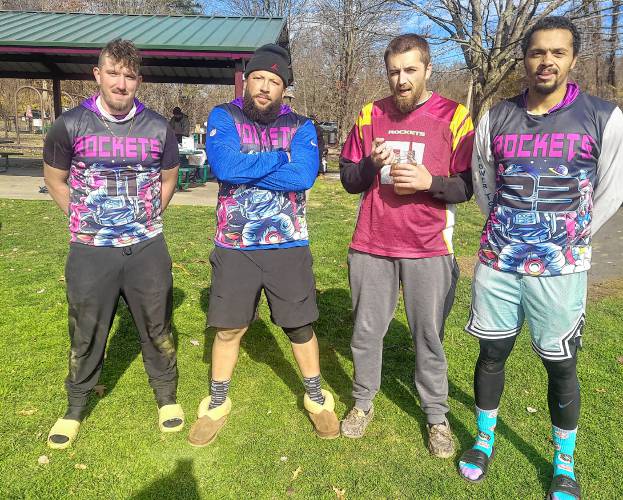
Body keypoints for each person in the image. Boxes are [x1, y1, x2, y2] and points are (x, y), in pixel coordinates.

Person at [459, 17, 623, 499]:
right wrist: (507, 228)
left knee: (561, 364)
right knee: (492, 352)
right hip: (499, 259)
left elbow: (612, 188)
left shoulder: (604, 117)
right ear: (524, 58)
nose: (546, 61)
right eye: (537, 52)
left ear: (573, 58)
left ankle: (564, 462)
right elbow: (483, 178)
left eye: (557, 52)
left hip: (561, 266)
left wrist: (571, 234)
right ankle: (483, 440)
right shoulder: (497, 116)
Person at [187, 43, 339, 446]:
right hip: (234, 245)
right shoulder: (225, 116)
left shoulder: (303, 126)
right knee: (228, 328)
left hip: (287, 243)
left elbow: (303, 177)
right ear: (246, 80)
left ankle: (316, 398)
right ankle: (217, 402)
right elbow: (224, 167)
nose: (265, 87)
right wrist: (279, 157)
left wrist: (248, 170)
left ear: (284, 88)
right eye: (259, 78)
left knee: (299, 327)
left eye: (275, 81)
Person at [339, 34, 474, 458]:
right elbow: (347, 180)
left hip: (429, 247)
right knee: (366, 332)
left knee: (428, 337)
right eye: (394, 71)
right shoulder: (369, 114)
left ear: (428, 70)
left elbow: (468, 186)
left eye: (410, 70)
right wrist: (369, 165)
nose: (401, 79)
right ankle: (362, 403)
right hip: (372, 244)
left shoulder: (455, 116)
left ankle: (436, 415)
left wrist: (429, 183)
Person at [43, 38, 183, 449]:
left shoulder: (158, 126)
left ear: (138, 79)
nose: (121, 83)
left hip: (146, 247)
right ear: (98, 75)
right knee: (85, 328)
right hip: (90, 250)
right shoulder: (69, 124)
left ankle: (166, 398)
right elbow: (54, 178)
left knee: (157, 325)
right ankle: (75, 405)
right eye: (113, 73)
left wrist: (144, 218)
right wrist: (85, 218)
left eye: (129, 75)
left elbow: (169, 178)